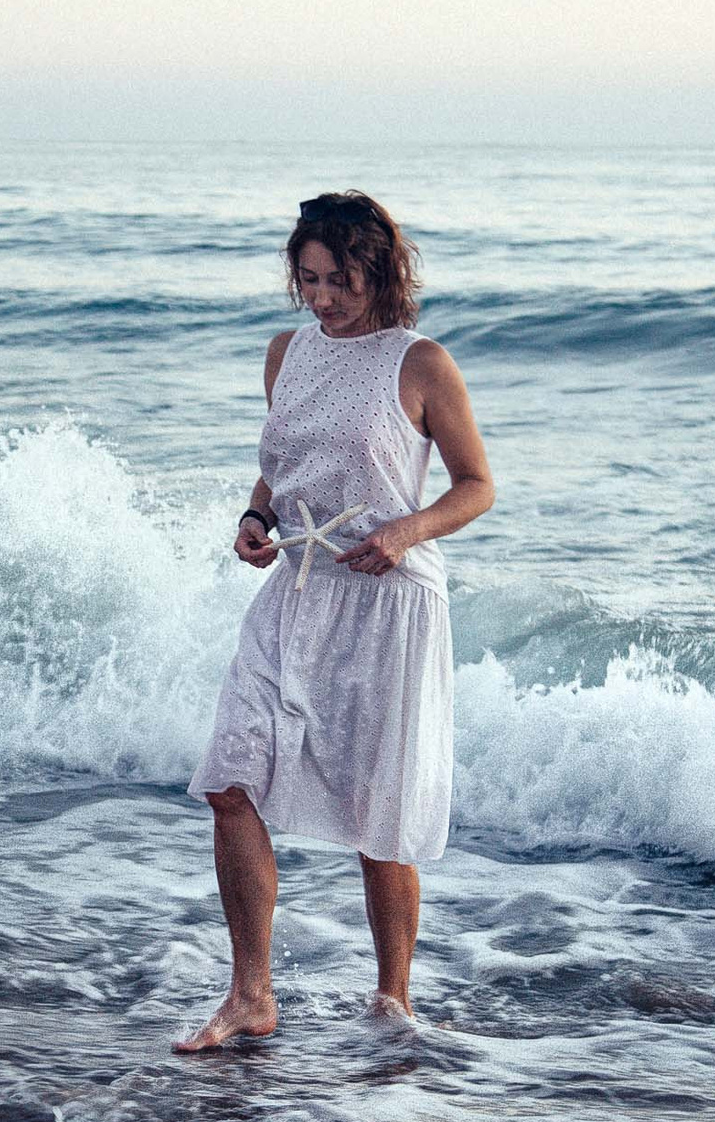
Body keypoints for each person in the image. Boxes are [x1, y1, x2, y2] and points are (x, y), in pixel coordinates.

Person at [178, 191, 494, 1052]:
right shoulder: (287, 354)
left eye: (339, 280)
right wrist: (256, 519)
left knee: (378, 819)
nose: (320, 298)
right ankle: (251, 993)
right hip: (298, 588)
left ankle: (393, 1004)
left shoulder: (421, 363)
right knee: (229, 778)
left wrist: (406, 530)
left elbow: (476, 485)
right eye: (308, 279)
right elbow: (278, 468)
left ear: (380, 270)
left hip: (389, 604)